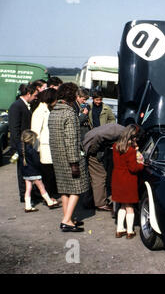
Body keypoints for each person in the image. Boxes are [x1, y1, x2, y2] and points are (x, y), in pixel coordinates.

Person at [49, 82, 89, 233]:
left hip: (58, 157)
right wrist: (74, 163)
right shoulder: (69, 114)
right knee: (76, 189)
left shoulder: (54, 112)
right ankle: (66, 221)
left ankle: (68, 218)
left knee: (64, 189)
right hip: (69, 158)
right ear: (72, 95)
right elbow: (71, 140)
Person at [82, 123, 126, 211]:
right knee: (100, 176)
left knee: (95, 177)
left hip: (89, 141)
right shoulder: (120, 132)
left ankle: (89, 201)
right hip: (91, 146)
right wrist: (93, 150)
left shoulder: (119, 129)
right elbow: (98, 136)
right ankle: (100, 203)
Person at [111, 124, 145, 239]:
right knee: (130, 207)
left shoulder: (115, 146)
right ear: (132, 137)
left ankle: (119, 229)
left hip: (117, 180)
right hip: (128, 181)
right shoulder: (130, 151)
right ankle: (130, 231)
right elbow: (133, 168)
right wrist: (141, 165)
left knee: (122, 206)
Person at [8, 83, 39, 203]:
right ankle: (24, 196)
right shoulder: (16, 106)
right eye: (35, 95)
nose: (36, 97)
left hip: (26, 144)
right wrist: (18, 147)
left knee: (27, 171)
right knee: (22, 172)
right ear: (28, 94)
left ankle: (29, 194)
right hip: (21, 145)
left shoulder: (23, 105)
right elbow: (14, 129)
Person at [19, 130, 59, 212]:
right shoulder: (32, 151)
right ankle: (50, 202)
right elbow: (37, 162)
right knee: (42, 187)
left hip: (26, 173)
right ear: (31, 139)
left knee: (28, 189)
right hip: (34, 172)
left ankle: (28, 206)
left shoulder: (20, 149)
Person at [31, 88, 59, 201]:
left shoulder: (46, 109)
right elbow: (35, 132)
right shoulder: (40, 112)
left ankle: (48, 195)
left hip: (48, 147)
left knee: (49, 174)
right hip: (43, 148)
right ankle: (47, 197)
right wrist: (36, 150)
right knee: (47, 175)